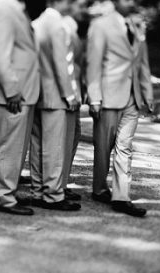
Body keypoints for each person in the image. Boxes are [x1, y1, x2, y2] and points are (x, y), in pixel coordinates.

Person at [87, 0, 153, 217]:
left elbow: (142, 63)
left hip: (133, 98)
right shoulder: (101, 25)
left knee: (125, 147)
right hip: (108, 97)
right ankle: (99, 189)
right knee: (103, 147)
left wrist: (147, 94)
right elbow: (94, 64)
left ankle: (121, 197)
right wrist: (94, 97)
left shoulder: (137, 25)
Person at [0, 0, 40, 216]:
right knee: (8, 146)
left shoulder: (12, 8)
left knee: (16, 147)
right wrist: (12, 89)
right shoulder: (2, 9)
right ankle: (2, 197)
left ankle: (7, 192)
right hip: (12, 94)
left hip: (22, 91)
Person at [28, 0, 82, 211]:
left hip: (37, 92)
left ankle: (37, 191)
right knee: (54, 147)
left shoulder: (37, 22)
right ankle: (53, 195)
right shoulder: (58, 24)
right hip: (56, 95)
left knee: (37, 145)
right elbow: (62, 63)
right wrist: (70, 94)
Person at [62, 0, 89, 200]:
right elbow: (65, 65)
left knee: (73, 137)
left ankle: (60, 182)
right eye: (80, 5)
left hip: (74, 92)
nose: (83, 9)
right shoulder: (65, 27)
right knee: (65, 140)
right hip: (66, 95)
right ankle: (56, 185)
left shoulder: (73, 27)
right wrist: (70, 94)